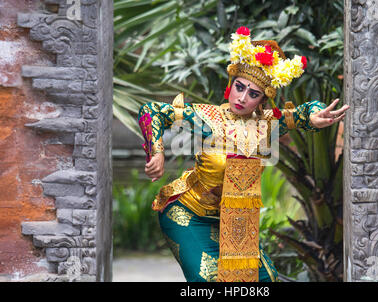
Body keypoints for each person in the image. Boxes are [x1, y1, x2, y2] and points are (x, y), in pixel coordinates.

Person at [138, 26, 349, 282]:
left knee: (264, 280)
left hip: (235, 224)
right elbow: (152, 110)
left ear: (262, 101)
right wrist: (156, 151)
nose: (242, 97)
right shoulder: (208, 117)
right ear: (231, 84)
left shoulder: (267, 123)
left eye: (253, 94)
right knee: (209, 279)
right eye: (240, 87)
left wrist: (315, 115)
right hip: (188, 214)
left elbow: (304, 113)